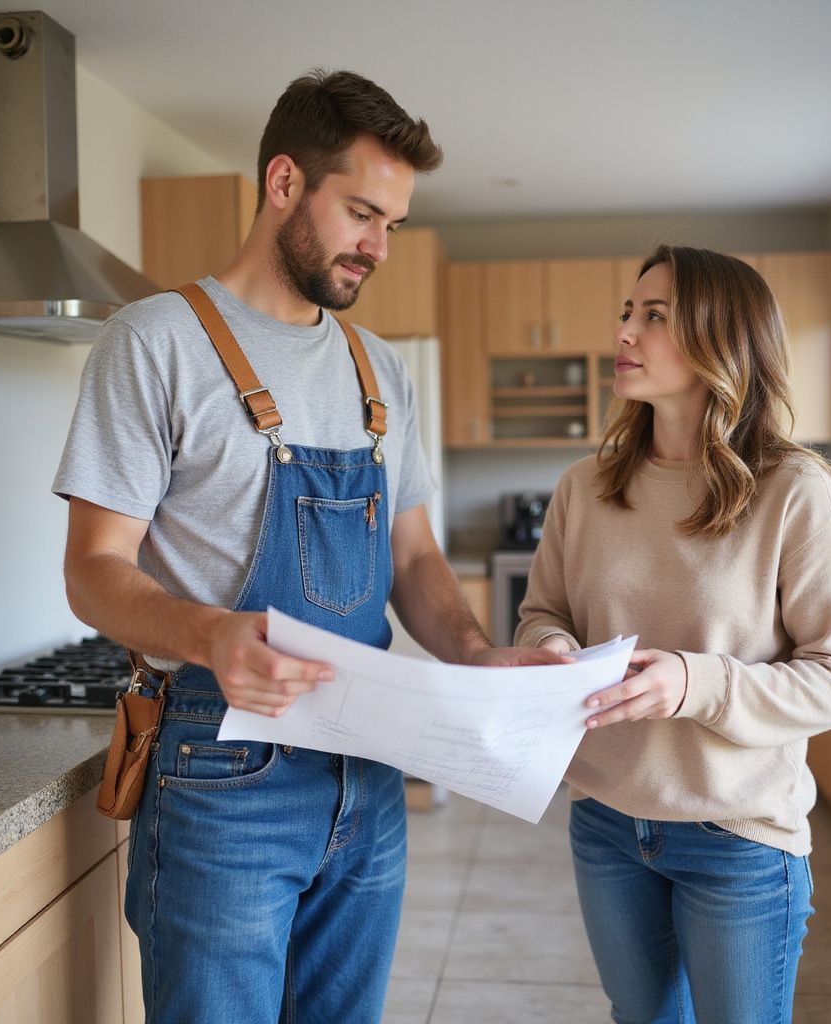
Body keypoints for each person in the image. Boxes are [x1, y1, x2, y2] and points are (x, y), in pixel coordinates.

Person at [54, 69, 562, 1024]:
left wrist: (476, 653)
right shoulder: (155, 341)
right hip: (220, 772)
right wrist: (211, 636)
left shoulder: (382, 368)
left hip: (369, 774)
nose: (378, 248)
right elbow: (91, 571)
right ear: (284, 182)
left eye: (394, 226)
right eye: (362, 213)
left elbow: (413, 563)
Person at [516, 244, 831, 1024]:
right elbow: (543, 611)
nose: (626, 333)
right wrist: (548, 648)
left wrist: (694, 683)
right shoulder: (585, 486)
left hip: (738, 834)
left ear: (723, 338)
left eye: (655, 317)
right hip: (606, 819)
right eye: (626, 313)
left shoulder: (796, 493)